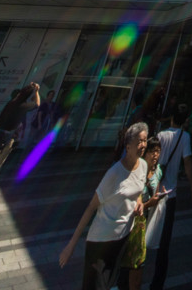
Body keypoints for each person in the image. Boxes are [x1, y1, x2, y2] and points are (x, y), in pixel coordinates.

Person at [59, 122, 151, 289]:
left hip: (122, 238)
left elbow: (138, 189)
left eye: (145, 141)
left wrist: (139, 203)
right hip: (100, 242)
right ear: (128, 145)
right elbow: (90, 208)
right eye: (139, 141)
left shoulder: (143, 165)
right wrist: (71, 246)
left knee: (108, 284)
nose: (143, 145)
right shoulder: (114, 174)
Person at [149, 104, 192, 290]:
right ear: (185, 121)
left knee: (144, 234)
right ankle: (157, 283)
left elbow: (151, 161)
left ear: (171, 118)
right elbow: (188, 164)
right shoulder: (185, 137)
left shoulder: (161, 135)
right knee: (164, 242)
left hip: (154, 192)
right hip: (170, 195)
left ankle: (134, 272)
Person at [117, 136, 167, 290]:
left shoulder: (158, 170)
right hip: (131, 221)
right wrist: (147, 204)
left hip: (146, 222)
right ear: (145, 154)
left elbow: (156, 190)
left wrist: (160, 196)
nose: (155, 155)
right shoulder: (138, 171)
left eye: (158, 152)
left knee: (137, 262)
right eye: (152, 152)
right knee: (129, 261)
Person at [0, 83, 40, 179]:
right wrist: (36, 91)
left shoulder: (10, 103)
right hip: (7, 137)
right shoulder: (24, 106)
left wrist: (28, 87)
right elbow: (37, 104)